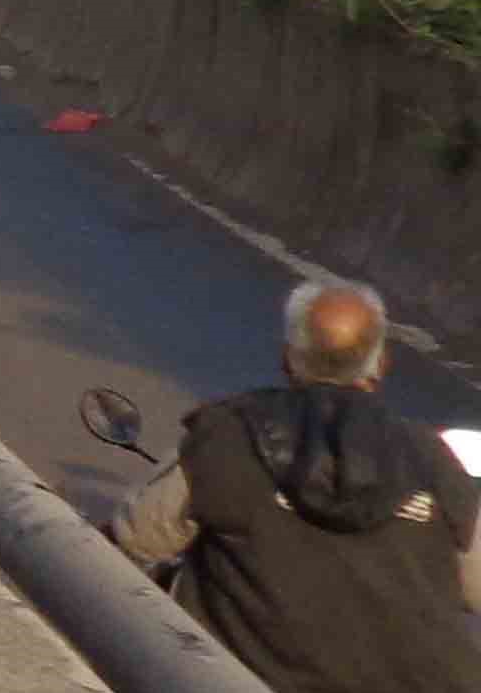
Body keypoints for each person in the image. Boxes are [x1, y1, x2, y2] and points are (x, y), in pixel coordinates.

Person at [111, 277, 481, 691]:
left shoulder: (230, 432)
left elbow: (137, 537)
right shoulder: (434, 459)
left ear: (289, 359)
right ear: (381, 365)